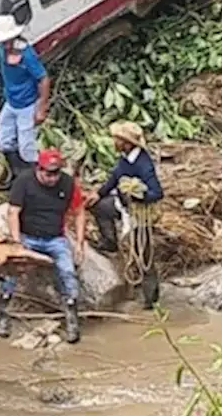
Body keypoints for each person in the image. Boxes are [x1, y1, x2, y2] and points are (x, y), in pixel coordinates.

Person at [0, 148, 87, 343]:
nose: (52, 178)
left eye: (56, 173)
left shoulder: (68, 183)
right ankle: (1, 313)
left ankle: (71, 316)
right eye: (48, 173)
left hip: (55, 238)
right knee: (11, 270)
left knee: (67, 271)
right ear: (38, 168)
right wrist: (17, 242)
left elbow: (79, 212)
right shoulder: (24, 181)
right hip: (28, 236)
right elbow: (13, 212)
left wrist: (79, 243)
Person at [86, 121, 164, 308]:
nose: (114, 142)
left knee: (143, 253)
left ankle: (150, 297)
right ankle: (109, 241)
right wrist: (98, 194)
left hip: (138, 212)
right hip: (122, 205)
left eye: (117, 139)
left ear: (126, 143)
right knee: (99, 207)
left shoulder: (143, 164)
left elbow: (157, 192)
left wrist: (139, 195)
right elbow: (114, 179)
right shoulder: (124, 159)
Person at [0, 14, 50, 181]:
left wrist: (41, 107)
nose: (4, 45)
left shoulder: (26, 55)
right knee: (3, 141)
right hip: (11, 103)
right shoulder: (3, 49)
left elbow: (44, 79)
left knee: (28, 149)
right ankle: (15, 168)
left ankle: (35, 175)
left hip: (27, 105)